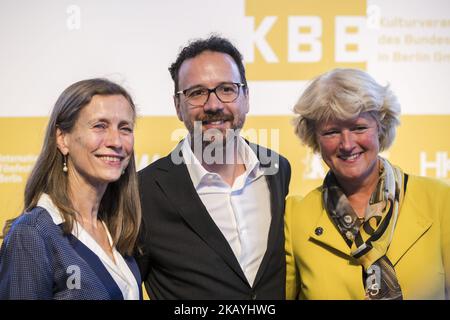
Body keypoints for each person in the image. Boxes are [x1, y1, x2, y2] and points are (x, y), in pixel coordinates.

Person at [136, 36, 291, 299]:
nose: (214, 105)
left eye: (227, 89)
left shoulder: (277, 169)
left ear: (246, 97)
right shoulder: (143, 192)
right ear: (178, 106)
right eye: (197, 93)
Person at [285, 68, 450, 300]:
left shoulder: (440, 200)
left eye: (359, 128)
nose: (347, 144)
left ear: (381, 127)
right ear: (314, 138)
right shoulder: (295, 217)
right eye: (332, 132)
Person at [0, 79, 142, 299]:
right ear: (62, 139)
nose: (116, 141)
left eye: (125, 128)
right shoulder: (32, 234)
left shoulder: (119, 229)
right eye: (99, 126)